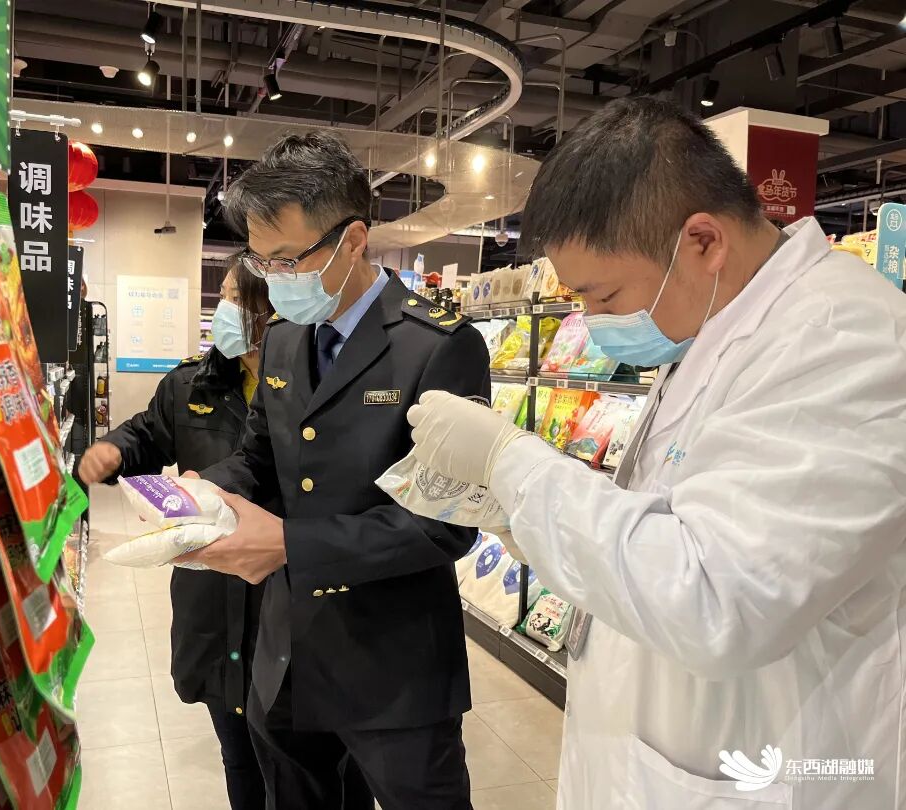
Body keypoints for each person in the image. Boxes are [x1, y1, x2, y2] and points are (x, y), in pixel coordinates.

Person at [407, 96, 906, 809]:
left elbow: (719, 598)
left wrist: (513, 465)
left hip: (769, 762)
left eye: (604, 296)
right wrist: (523, 518)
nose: (591, 322)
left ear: (702, 242)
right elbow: (663, 526)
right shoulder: (718, 322)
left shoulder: (845, 338)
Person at [175, 132, 490, 810]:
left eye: (288, 259)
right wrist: (207, 490)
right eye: (260, 259)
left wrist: (292, 544)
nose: (273, 276)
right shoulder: (285, 337)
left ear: (353, 240)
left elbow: (445, 525)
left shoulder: (438, 346)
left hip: (396, 667)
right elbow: (261, 458)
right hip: (289, 650)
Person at [77, 257, 373, 810]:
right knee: (238, 753)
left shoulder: (322, 381)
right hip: (215, 601)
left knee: (323, 760)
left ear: (270, 306)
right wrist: (115, 450)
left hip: (297, 595)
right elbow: (149, 432)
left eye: (237, 299)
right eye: (224, 298)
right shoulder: (193, 381)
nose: (223, 312)